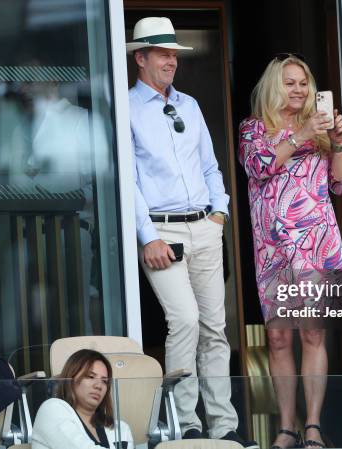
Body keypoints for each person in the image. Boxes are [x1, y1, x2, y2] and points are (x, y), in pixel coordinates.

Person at [127, 17, 257, 448]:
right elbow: (127, 181)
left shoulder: (190, 104)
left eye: (174, 55)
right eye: (162, 54)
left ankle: (223, 424)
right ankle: (186, 424)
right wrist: (148, 236)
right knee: (183, 321)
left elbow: (209, 165)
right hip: (163, 229)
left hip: (204, 225)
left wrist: (219, 213)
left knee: (215, 328)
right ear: (140, 57)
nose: (171, 61)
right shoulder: (126, 108)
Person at [238, 54, 342, 449]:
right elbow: (258, 166)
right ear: (274, 86)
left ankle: (314, 426)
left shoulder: (321, 130)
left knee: (313, 334)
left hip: (316, 245)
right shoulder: (254, 128)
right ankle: (287, 427)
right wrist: (301, 134)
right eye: (290, 82)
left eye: (304, 82)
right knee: (280, 339)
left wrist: (337, 144)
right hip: (272, 249)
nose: (299, 89)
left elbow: (339, 185)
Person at [32, 349, 133, 449]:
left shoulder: (121, 428)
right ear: (71, 378)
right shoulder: (51, 410)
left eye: (104, 381)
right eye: (90, 376)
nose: (99, 386)